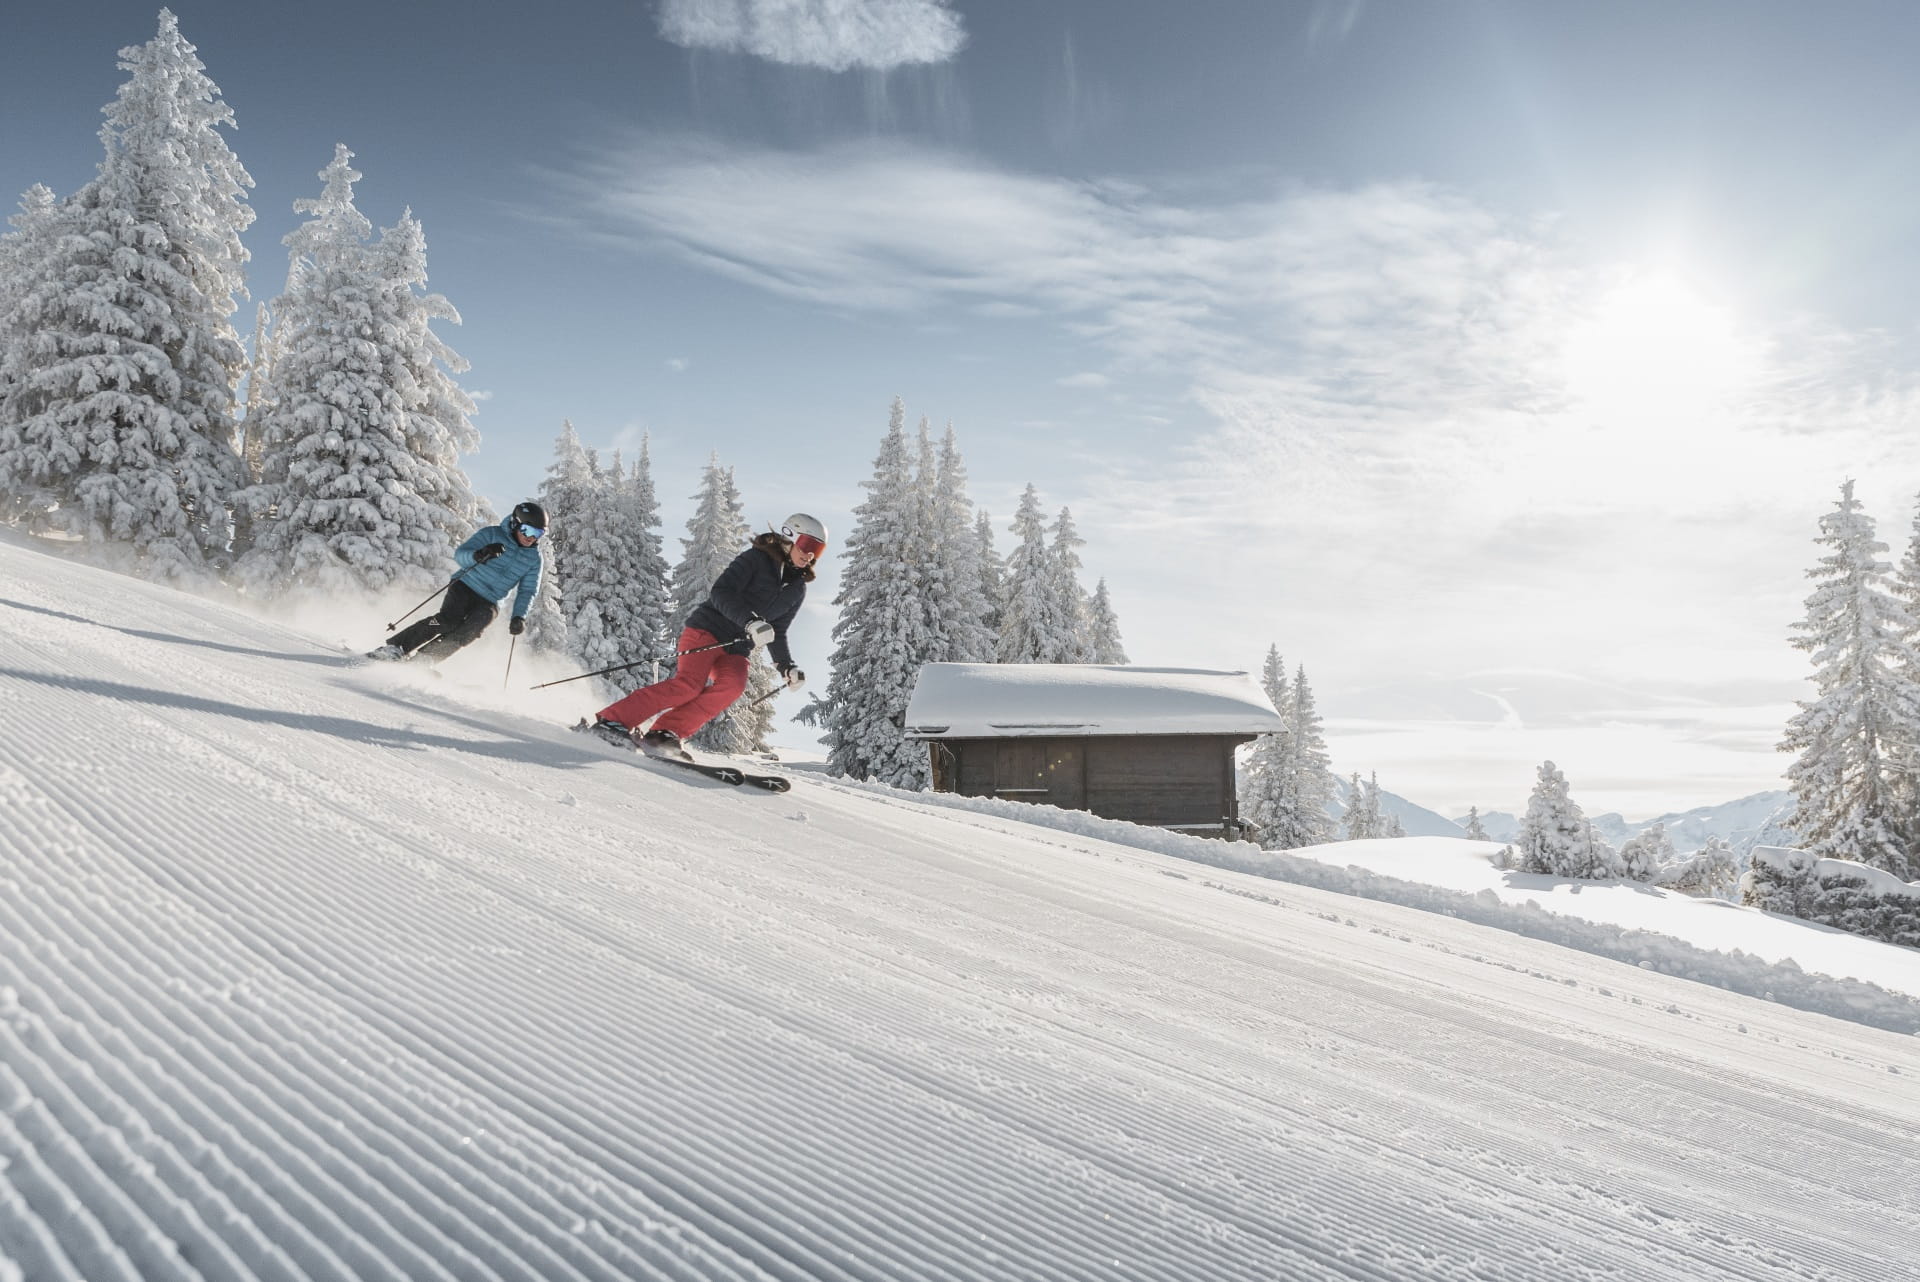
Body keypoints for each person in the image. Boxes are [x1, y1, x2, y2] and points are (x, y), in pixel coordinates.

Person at [590, 513, 825, 758]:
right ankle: (612, 720)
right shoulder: (757, 559)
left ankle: (664, 733)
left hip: (736, 647)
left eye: (817, 551)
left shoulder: (797, 589)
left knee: (733, 685)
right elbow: (721, 592)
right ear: (789, 536)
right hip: (707, 630)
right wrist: (750, 621)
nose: (810, 555)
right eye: (808, 545)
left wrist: (787, 667)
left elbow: (778, 631)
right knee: (688, 686)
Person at [370, 501, 547, 663]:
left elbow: (528, 590)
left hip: (491, 601)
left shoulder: (534, 559)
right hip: (465, 585)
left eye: (538, 533)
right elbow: (460, 555)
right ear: (516, 523)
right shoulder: (492, 534)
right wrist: (479, 555)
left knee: (469, 632)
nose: (531, 537)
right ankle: (397, 646)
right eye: (528, 530)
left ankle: (426, 659)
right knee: (446, 621)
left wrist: (519, 616)